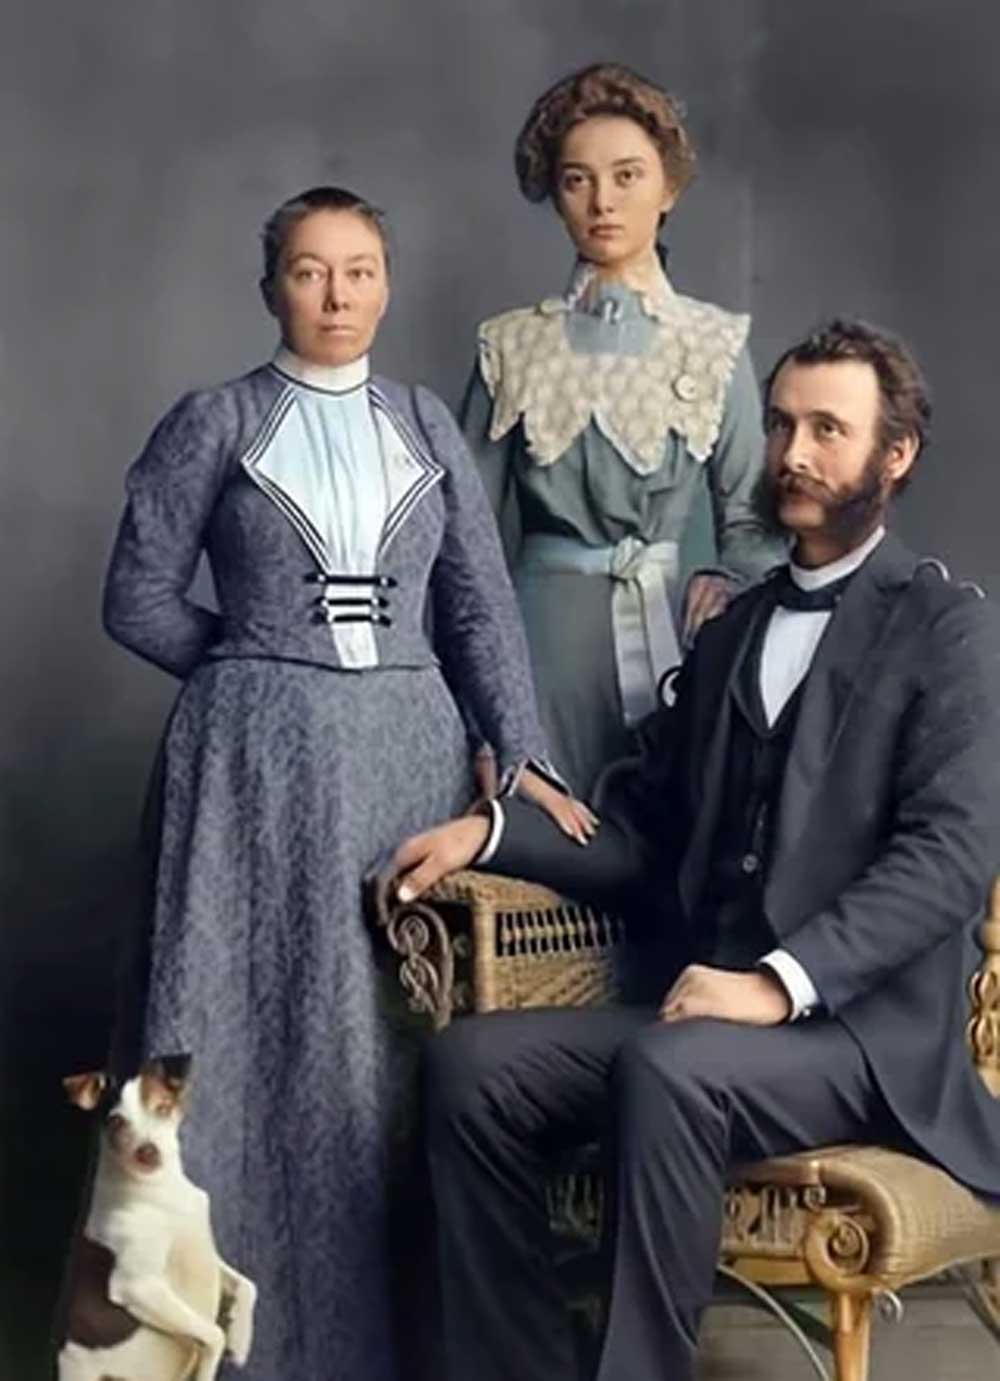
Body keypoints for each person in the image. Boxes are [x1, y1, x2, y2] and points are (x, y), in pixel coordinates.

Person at [392, 319, 1000, 1381]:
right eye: (781, 424)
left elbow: (951, 853)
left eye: (827, 429)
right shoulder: (731, 632)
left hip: (860, 1038)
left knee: (670, 1067)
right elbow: (641, 837)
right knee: (466, 1069)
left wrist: (777, 982)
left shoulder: (945, 627)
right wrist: (489, 833)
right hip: (703, 1017)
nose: (793, 453)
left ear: (894, 455)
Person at [101, 185, 589, 1381]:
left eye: (359, 270)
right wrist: (253, 670)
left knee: (387, 1049)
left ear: (386, 283)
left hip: (406, 767)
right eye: (311, 271)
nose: (336, 296)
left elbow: (477, 610)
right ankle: (227, 1348)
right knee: (240, 1037)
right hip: (253, 780)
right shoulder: (215, 420)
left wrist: (518, 757)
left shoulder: (424, 424)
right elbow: (137, 596)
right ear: (272, 286)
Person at [460, 62, 785, 794]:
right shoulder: (510, 345)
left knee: (668, 825)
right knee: (538, 836)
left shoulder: (713, 343)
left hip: (671, 639)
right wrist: (484, 697)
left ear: (668, 188)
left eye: (627, 176)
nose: (603, 202)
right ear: (555, 194)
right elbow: (464, 539)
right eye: (577, 180)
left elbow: (752, 518)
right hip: (537, 646)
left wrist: (728, 579)